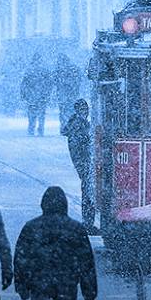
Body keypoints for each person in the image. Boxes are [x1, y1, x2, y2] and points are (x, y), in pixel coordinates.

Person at [60, 99, 98, 233]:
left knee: (87, 191)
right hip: (85, 163)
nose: (85, 112)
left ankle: (88, 222)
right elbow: (77, 149)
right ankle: (88, 223)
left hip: (84, 163)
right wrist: (84, 165)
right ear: (77, 111)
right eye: (82, 110)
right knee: (88, 192)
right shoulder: (78, 125)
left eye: (86, 109)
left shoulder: (79, 124)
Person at [22, 55, 52, 136]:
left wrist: (24, 94)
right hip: (42, 97)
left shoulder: (29, 71)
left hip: (31, 97)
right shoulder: (45, 71)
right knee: (41, 115)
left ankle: (31, 129)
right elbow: (49, 84)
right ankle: (40, 130)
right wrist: (47, 94)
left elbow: (24, 84)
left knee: (32, 115)